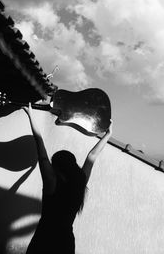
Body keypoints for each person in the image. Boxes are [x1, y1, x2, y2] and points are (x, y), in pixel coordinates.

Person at [23, 102, 113, 254]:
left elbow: (39, 143)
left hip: (44, 240)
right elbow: (92, 156)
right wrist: (108, 135)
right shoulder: (79, 183)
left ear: (56, 166)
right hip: (65, 242)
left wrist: (30, 114)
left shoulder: (51, 181)